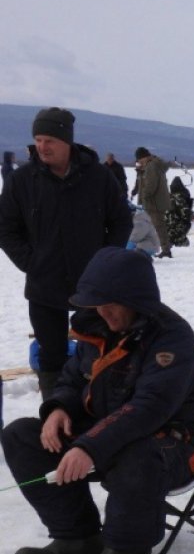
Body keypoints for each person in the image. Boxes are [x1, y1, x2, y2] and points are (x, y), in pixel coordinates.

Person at [1, 247, 194, 554]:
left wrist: (88, 446)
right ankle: (77, 539)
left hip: (176, 444)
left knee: (138, 449)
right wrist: (58, 409)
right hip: (110, 432)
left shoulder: (172, 338)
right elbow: (73, 379)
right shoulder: (96, 328)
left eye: (111, 302)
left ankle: (128, 549)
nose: (103, 311)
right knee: (21, 436)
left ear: (137, 298)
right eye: (96, 302)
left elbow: (149, 409)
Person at [0, 107, 133, 398]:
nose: (42, 147)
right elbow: (6, 228)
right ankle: (55, 411)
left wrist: (106, 261)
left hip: (94, 285)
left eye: (50, 140)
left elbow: (121, 220)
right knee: (51, 356)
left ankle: (102, 407)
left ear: (67, 142)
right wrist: (31, 262)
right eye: (38, 139)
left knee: (102, 347)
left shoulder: (98, 177)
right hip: (43, 285)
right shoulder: (22, 181)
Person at [134, 147, 173, 258]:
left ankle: (166, 249)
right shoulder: (153, 165)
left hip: (154, 203)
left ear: (144, 157)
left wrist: (144, 197)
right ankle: (162, 248)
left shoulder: (151, 167)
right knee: (157, 226)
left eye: (140, 160)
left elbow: (150, 185)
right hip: (157, 202)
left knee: (158, 226)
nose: (139, 162)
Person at [166, 177, 193, 247]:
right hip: (175, 228)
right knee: (187, 224)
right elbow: (186, 215)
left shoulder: (167, 197)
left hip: (164, 229)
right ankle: (179, 240)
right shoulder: (180, 198)